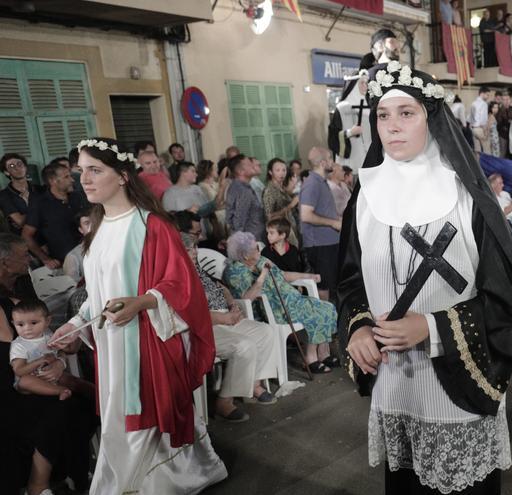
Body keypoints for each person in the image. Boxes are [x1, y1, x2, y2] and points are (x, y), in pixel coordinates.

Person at [340, 61, 512, 494]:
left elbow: (506, 303)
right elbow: (351, 280)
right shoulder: (365, 195)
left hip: (456, 391)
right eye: (383, 115)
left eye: (406, 113)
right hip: (394, 389)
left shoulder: (466, 197)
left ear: (430, 118)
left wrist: (430, 327)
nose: (392, 126)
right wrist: (357, 326)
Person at [49, 137, 227, 493]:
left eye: (95, 170)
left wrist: (141, 302)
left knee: (144, 412)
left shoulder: (152, 226)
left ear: (123, 176)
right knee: (120, 414)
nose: (84, 179)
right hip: (111, 344)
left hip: (147, 339)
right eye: (80, 171)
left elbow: (181, 286)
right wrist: (72, 324)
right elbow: (98, 293)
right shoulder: (97, 229)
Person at [0, 238, 96, 495]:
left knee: (83, 402)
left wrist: (58, 359)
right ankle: (38, 483)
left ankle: (75, 471)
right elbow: (13, 354)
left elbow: (46, 340)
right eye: (23, 255)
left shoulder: (23, 289)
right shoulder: (5, 306)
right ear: (4, 263)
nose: (28, 260)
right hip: (10, 381)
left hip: (40, 370)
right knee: (59, 408)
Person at [181, 233, 278, 422]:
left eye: (194, 247)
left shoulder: (197, 269)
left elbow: (222, 288)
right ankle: (224, 402)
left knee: (266, 332)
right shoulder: (178, 274)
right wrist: (223, 318)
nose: (193, 251)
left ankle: (253, 385)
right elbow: (187, 313)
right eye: (187, 249)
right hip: (206, 326)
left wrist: (233, 304)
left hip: (226, 316)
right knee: (244, 345)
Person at [223, 231, 336, 374]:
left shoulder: (260, 259)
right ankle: (311, 358)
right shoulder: (235, 272)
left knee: (329, 307)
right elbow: (247, 298)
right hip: (273, 309)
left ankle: (323, 353)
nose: (259, 249)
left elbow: (281, 274)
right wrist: (262, 276)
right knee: (318, 312)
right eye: (256, 248)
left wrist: (308, 276)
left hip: (291, 300)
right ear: (245, 255)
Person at [10, 299, 91, 400]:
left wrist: (63, 347)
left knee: (73, 381)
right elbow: (19, 371)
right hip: (33, 379)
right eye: (20, 324)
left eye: (33, 323)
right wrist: (39, 361)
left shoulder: (48, 335)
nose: (27, 328)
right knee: (24, 381)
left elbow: (63, 351)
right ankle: (61, 391)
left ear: (47, 321)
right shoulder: (19, 345)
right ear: (14, 324)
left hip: (52, 374)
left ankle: (95, 392)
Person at [22, 161, 88, 269]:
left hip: (88, 256)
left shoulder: (78, 197)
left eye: (70, 175)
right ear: (52, 181)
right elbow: (26, 235)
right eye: (66, 177)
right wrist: (45, 259)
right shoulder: (40, 204)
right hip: (64, 263)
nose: (72, 180)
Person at [300, 147, 342, 300]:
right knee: (324, 286)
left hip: (328, 242)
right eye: (331, 158)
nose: (333, 162)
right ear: (323, 163)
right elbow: (306, 215)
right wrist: (333, 223)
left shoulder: (321, 182)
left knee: (331, 284)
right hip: (319, 244)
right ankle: (327, 322)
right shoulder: (312, 183)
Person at [329, 70, 373, 172]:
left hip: (369, 161)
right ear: (353, 85)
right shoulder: (342, 108)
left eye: (366, 83)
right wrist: (350, 133)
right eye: (361, 83)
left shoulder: (370, 107)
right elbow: (333, 137)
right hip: (351, 164)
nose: (365, 86)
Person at [0, 153, 44, 236]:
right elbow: (20, 221)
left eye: (19, 164)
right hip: (24, 241)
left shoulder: (40, 189)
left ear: (25, 167)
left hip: (46, 235)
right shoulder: (4, 195)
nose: (17, 168)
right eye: (12, 166)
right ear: (6, 172)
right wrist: (41, 209)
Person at [226, 154, 267, 241]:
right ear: (241, 171)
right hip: (251, 242)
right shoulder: (242, 190)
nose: (253, 166)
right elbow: (238, 221)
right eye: (249, 164)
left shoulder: (240, 187)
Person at [262, 158, 299, 244]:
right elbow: (269, 217)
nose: (281, 173)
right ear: (270, 172)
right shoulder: (270, 190)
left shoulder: (281, 187)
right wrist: (291, 205)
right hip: (280, 234)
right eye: (277, 170)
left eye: (284, 170)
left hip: (289, 230)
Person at [197, 159, 230, 237]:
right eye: (214, 169)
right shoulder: (202, 186)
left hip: (224, 216)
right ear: (209, 172)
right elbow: (213, 203)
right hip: (215, 219)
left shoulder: (215, 184)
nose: (217, 170)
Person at [63, 210, 92, 285]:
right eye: (87, 223)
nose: (92, 225)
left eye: (95, 221)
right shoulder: (73, 256)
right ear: (81, 230)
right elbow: (72, 287)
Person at [470, 86, 492, 153]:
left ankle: (477, 163)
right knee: (487, 150)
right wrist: (486, 132)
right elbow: (483, 120)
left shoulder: (473, 103)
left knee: (477, 151)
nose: (488, 97)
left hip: (473, 129)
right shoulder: (484, 104)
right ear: (482, 93)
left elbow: (470, 117)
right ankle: (487, 163)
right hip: (480, 129)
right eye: (487, 95)